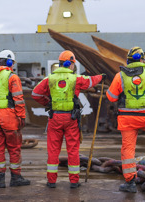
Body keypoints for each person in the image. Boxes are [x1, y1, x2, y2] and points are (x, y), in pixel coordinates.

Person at [32, 50, 106, 189]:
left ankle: (51, 181)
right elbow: (91, 81)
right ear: (70, 64)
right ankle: (74, 181)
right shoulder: (76, 79)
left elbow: (35, 93)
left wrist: (47, 103)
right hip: (71, 119)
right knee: (73, 150)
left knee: (53, 150)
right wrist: (101, 77)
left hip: (55, 118)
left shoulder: (49, 79)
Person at [106, 47, 145, 193]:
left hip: (126, 119)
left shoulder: (120, 76)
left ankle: (130, 183)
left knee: (128, 150)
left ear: (128, 60)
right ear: (143, 60)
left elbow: (111, 97)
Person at [0, 50, 30, 188]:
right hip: (9, 118)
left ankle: (0, 179)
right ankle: (16, 178)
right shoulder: (12, 77)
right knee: (14, 148)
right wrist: (21, 116)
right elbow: (18, 99)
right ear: (10, 62)